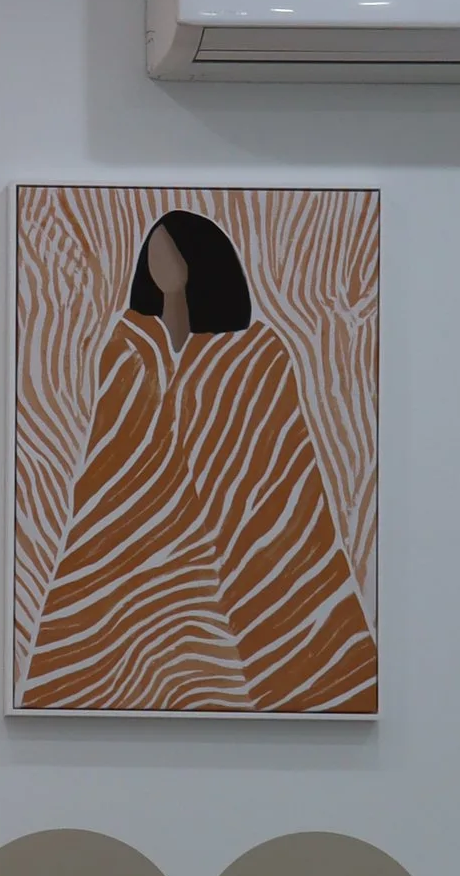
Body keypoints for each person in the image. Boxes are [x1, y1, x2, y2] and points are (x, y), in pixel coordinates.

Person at [22, 207, 377, 713]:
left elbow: (281, 470)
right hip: (132, 554)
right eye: (152, 248)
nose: (155, 258)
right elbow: (108, 463)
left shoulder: (257, 355)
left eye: (167, 247)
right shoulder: (125, 348)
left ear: (200, 260)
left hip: (245, 556)